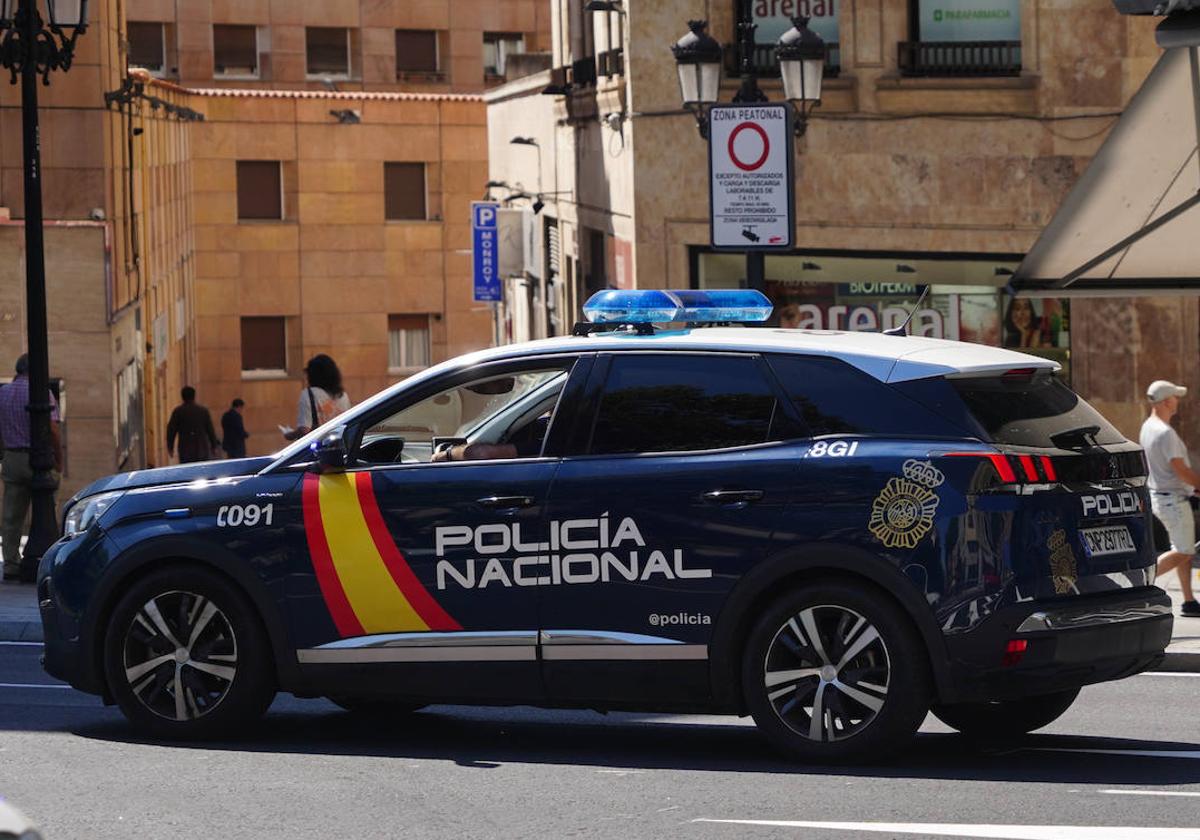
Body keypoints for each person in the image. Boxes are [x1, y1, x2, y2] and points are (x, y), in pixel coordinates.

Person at [1139, 379, 1200, 617]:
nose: (1177, 401)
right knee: (1184, 551)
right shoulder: (1165, 433)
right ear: (1166, 401)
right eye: (1175, 397)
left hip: (1161, 496)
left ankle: (1188, 600)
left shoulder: (1148, 426)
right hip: (1172, 500)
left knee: (1182, 548)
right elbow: (1180, 470)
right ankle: (1142, 580)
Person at [0, 355, 61, 583]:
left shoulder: (3, 393)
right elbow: (53, 430)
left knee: (11, 516)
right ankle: (45, 556)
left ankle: (11, 564)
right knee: (45, 509)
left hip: (13, 458)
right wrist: (59, 460)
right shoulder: (41, 392)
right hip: (39, 458)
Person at [286, 354, 351, 440]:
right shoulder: (343, 395)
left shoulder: (308, 394)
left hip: (320, 446)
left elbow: (304, 430)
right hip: (340, 444)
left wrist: (290, 435)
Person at [166, 386, 220, 464]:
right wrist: (214, 446)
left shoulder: (178, 411)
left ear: (182, 397)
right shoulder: (203, 411)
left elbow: (171, 430)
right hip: (201, 448)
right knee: (202, 471)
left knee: (187, 472)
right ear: (194, 396)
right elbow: (210, 430)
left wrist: (170, 447)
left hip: (185, 448)